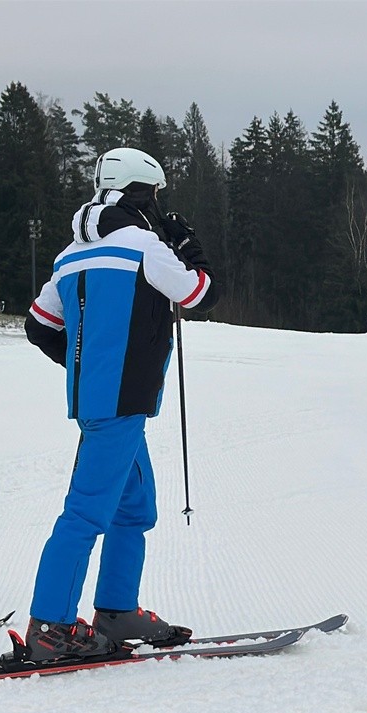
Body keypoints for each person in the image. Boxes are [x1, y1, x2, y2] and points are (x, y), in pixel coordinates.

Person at [22, 147, 221, 662]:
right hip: (122, 402)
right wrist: (188, 246)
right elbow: (200, 294)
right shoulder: (144, 246)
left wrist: (86, 366)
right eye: (154, 194)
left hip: (105, 402)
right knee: (86, 513)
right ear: (141, 193)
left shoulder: (70, 255)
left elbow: (38, 325)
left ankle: (116, 610)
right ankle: (50, 628)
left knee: (134, 509)